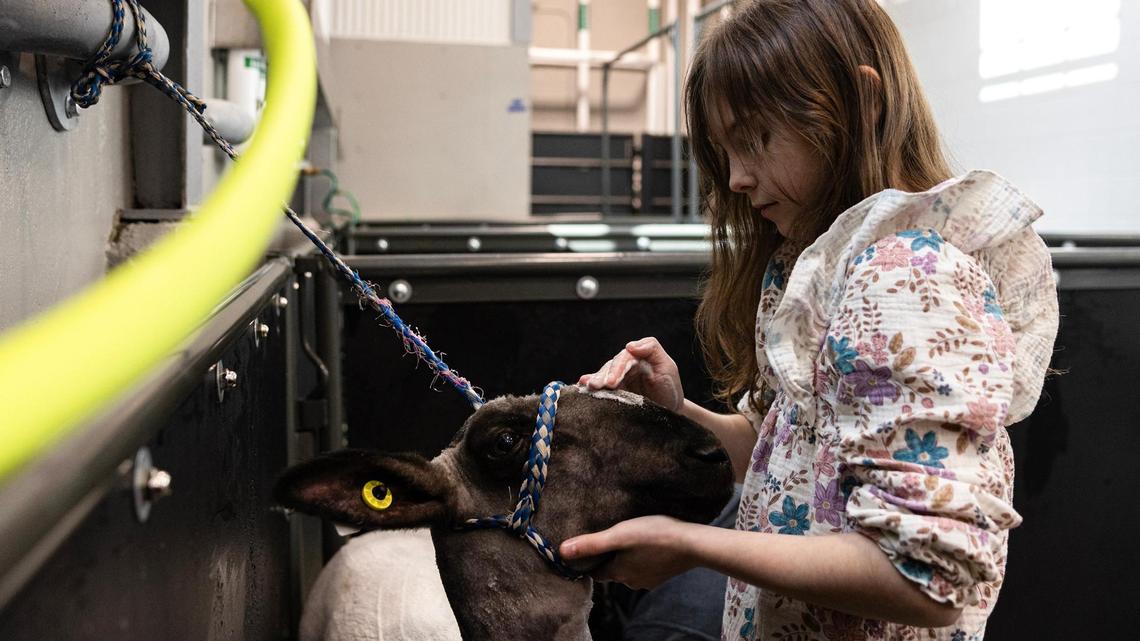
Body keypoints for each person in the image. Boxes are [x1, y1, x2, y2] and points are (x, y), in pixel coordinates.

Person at [560, 1, 1060, 640]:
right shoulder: (826, 267)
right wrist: (679, 411)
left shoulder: (909, 277)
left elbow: (925, 579)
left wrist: (689, 545)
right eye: (726, 151)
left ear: (860, 103)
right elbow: (792, 456)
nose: (737, 178)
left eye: (755, 139)